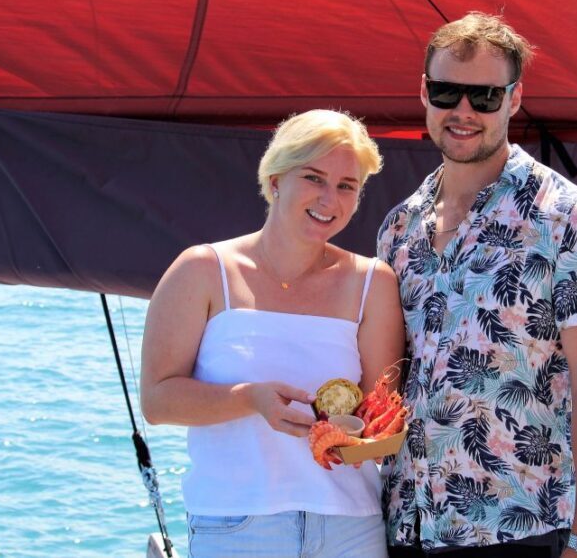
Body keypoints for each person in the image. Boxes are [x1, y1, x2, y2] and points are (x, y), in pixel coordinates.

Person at [376, 12, 577, 558]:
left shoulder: (572, 222)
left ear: (514, 100)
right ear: (424, 93)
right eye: (447, 92)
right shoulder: (398, 228)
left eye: (485, 97)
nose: (463, 112)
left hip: (520, 535)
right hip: (403, 528)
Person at [141, 109, 405, 558]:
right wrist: (249, 399)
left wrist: (354, 439)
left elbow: (380, 423)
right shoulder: (203, 271)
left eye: (347, 186)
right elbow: (157, 402)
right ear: (276, 178)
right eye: (313, 177)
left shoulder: (373, 284)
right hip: (235, 524)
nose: (329, 198)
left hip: (351, 527)